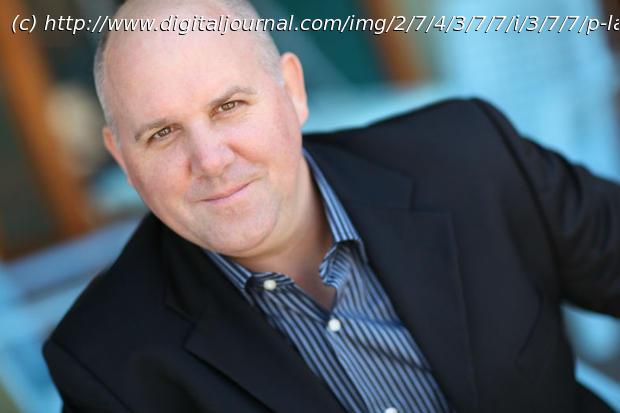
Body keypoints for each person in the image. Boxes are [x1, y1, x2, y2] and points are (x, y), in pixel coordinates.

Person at [43, 0, 620, 412]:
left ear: (292, 92)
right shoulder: (105, 363)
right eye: (163, 133)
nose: (210, 160)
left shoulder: (470, 161)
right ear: (123, 158)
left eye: (229, 107)